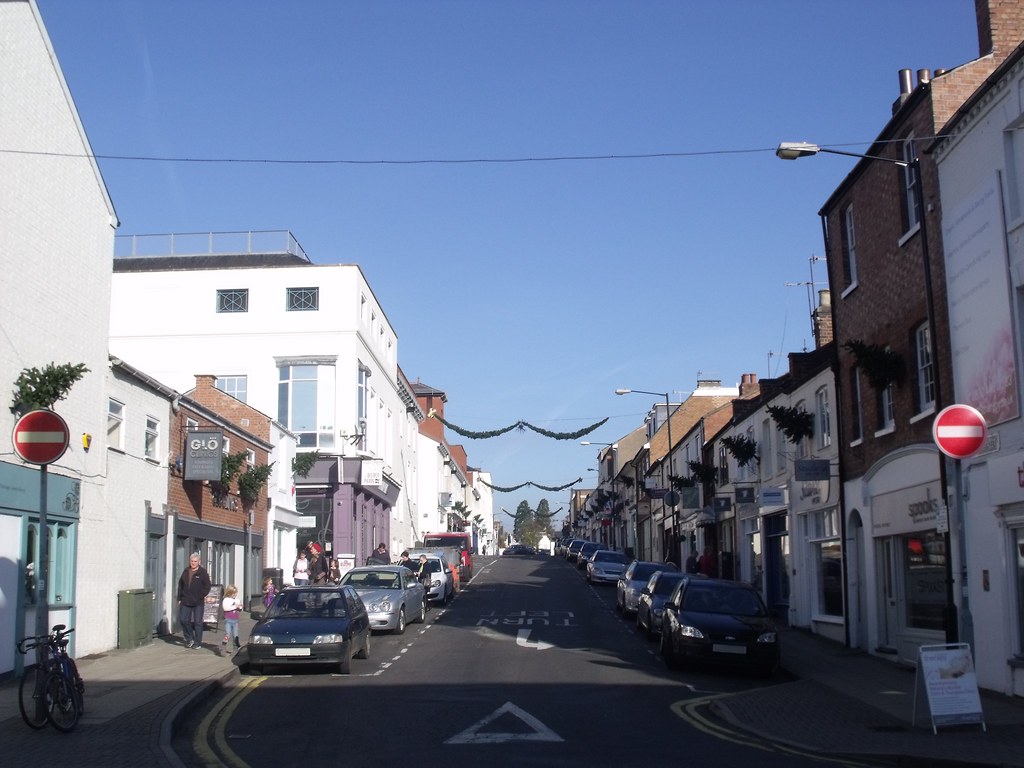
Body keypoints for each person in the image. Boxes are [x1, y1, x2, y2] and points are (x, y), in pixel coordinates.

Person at [177, 551, 212, 649]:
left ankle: (197, 642)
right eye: (192, 561)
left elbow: (207, 586)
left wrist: (200, 596)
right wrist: (179, 598)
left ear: (199, 562)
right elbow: (180, 585)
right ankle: (189, 638)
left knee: (197, 622)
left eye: (195, 561)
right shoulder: (185, 571)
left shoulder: (203, 572)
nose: (193, 563)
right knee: (183, 620)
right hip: (185, 600)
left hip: (198, 602)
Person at [221, 585, 242, 653]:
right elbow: (226, 608)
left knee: (235, 635)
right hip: (228, 620)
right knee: (227, 634)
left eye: (236, 593)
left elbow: (240, 609)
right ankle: (223, 646)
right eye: (233, 593)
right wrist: (235, 606)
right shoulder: (226, 600)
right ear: (229, 593)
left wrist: (240, 607)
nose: (235, 594)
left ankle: (235, 649)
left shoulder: (237, 600)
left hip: (235, 620)